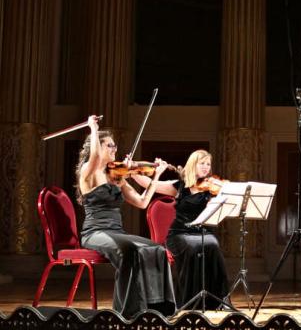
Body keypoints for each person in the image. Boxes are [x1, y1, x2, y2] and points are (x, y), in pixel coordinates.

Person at [76, 116, 175, 317]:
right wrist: (93, 128)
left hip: (116, 232)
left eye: (115, 146)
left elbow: (142, 202)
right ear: (98, 147)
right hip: (95, 232)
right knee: (129, 251)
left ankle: (157, 308)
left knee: (156, 249)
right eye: (109, 146)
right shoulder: (89, 171)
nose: (114, 149)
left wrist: (156, 176)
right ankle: (125, 312)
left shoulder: (117, 177)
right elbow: (94, 157)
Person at [131, 149, 229, 310]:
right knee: (192, 247)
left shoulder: (211, 188)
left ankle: (217, 301)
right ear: (193, 165)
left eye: (208, 164)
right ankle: (189, 301)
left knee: (213, 245)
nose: (206, 167)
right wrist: (132, 171)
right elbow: (148, 184)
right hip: (179, 234)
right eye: (202, 163)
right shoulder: (180, 186)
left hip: (202, 232)